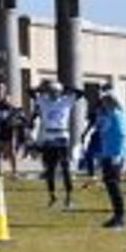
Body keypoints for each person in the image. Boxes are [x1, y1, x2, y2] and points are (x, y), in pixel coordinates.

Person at [28, 79, 80, 209]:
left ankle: (69, 197)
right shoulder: (44, 101)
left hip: (62, 137)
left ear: (60, 92)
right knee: (49, 170)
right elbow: (30, 91)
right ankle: (52, 196)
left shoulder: (65, 101)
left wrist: (65, 86)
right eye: (51, 92)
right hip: (49, 138)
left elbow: (80, 93)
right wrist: (43, 88)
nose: (53, 94)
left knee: (65, 169)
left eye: (55, 92)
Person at [95, 86, 126, 228]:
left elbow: (123, 137)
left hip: (115, 154)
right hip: (107, 153)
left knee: (114, 184)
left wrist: (119, 155)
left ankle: (121, 216)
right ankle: (117, 215)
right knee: (110, 184)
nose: (103, 103)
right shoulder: (107, 115)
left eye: (106, 101)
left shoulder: (118, 114)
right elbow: (102, 132)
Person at [0, 82, 24, 179]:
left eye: (2, 89)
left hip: (8, 130)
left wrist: (11, 106)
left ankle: (14, 172)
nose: (0, 91)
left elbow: (17, 113)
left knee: (11, 151)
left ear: (5, 91)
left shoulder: (9, 103)